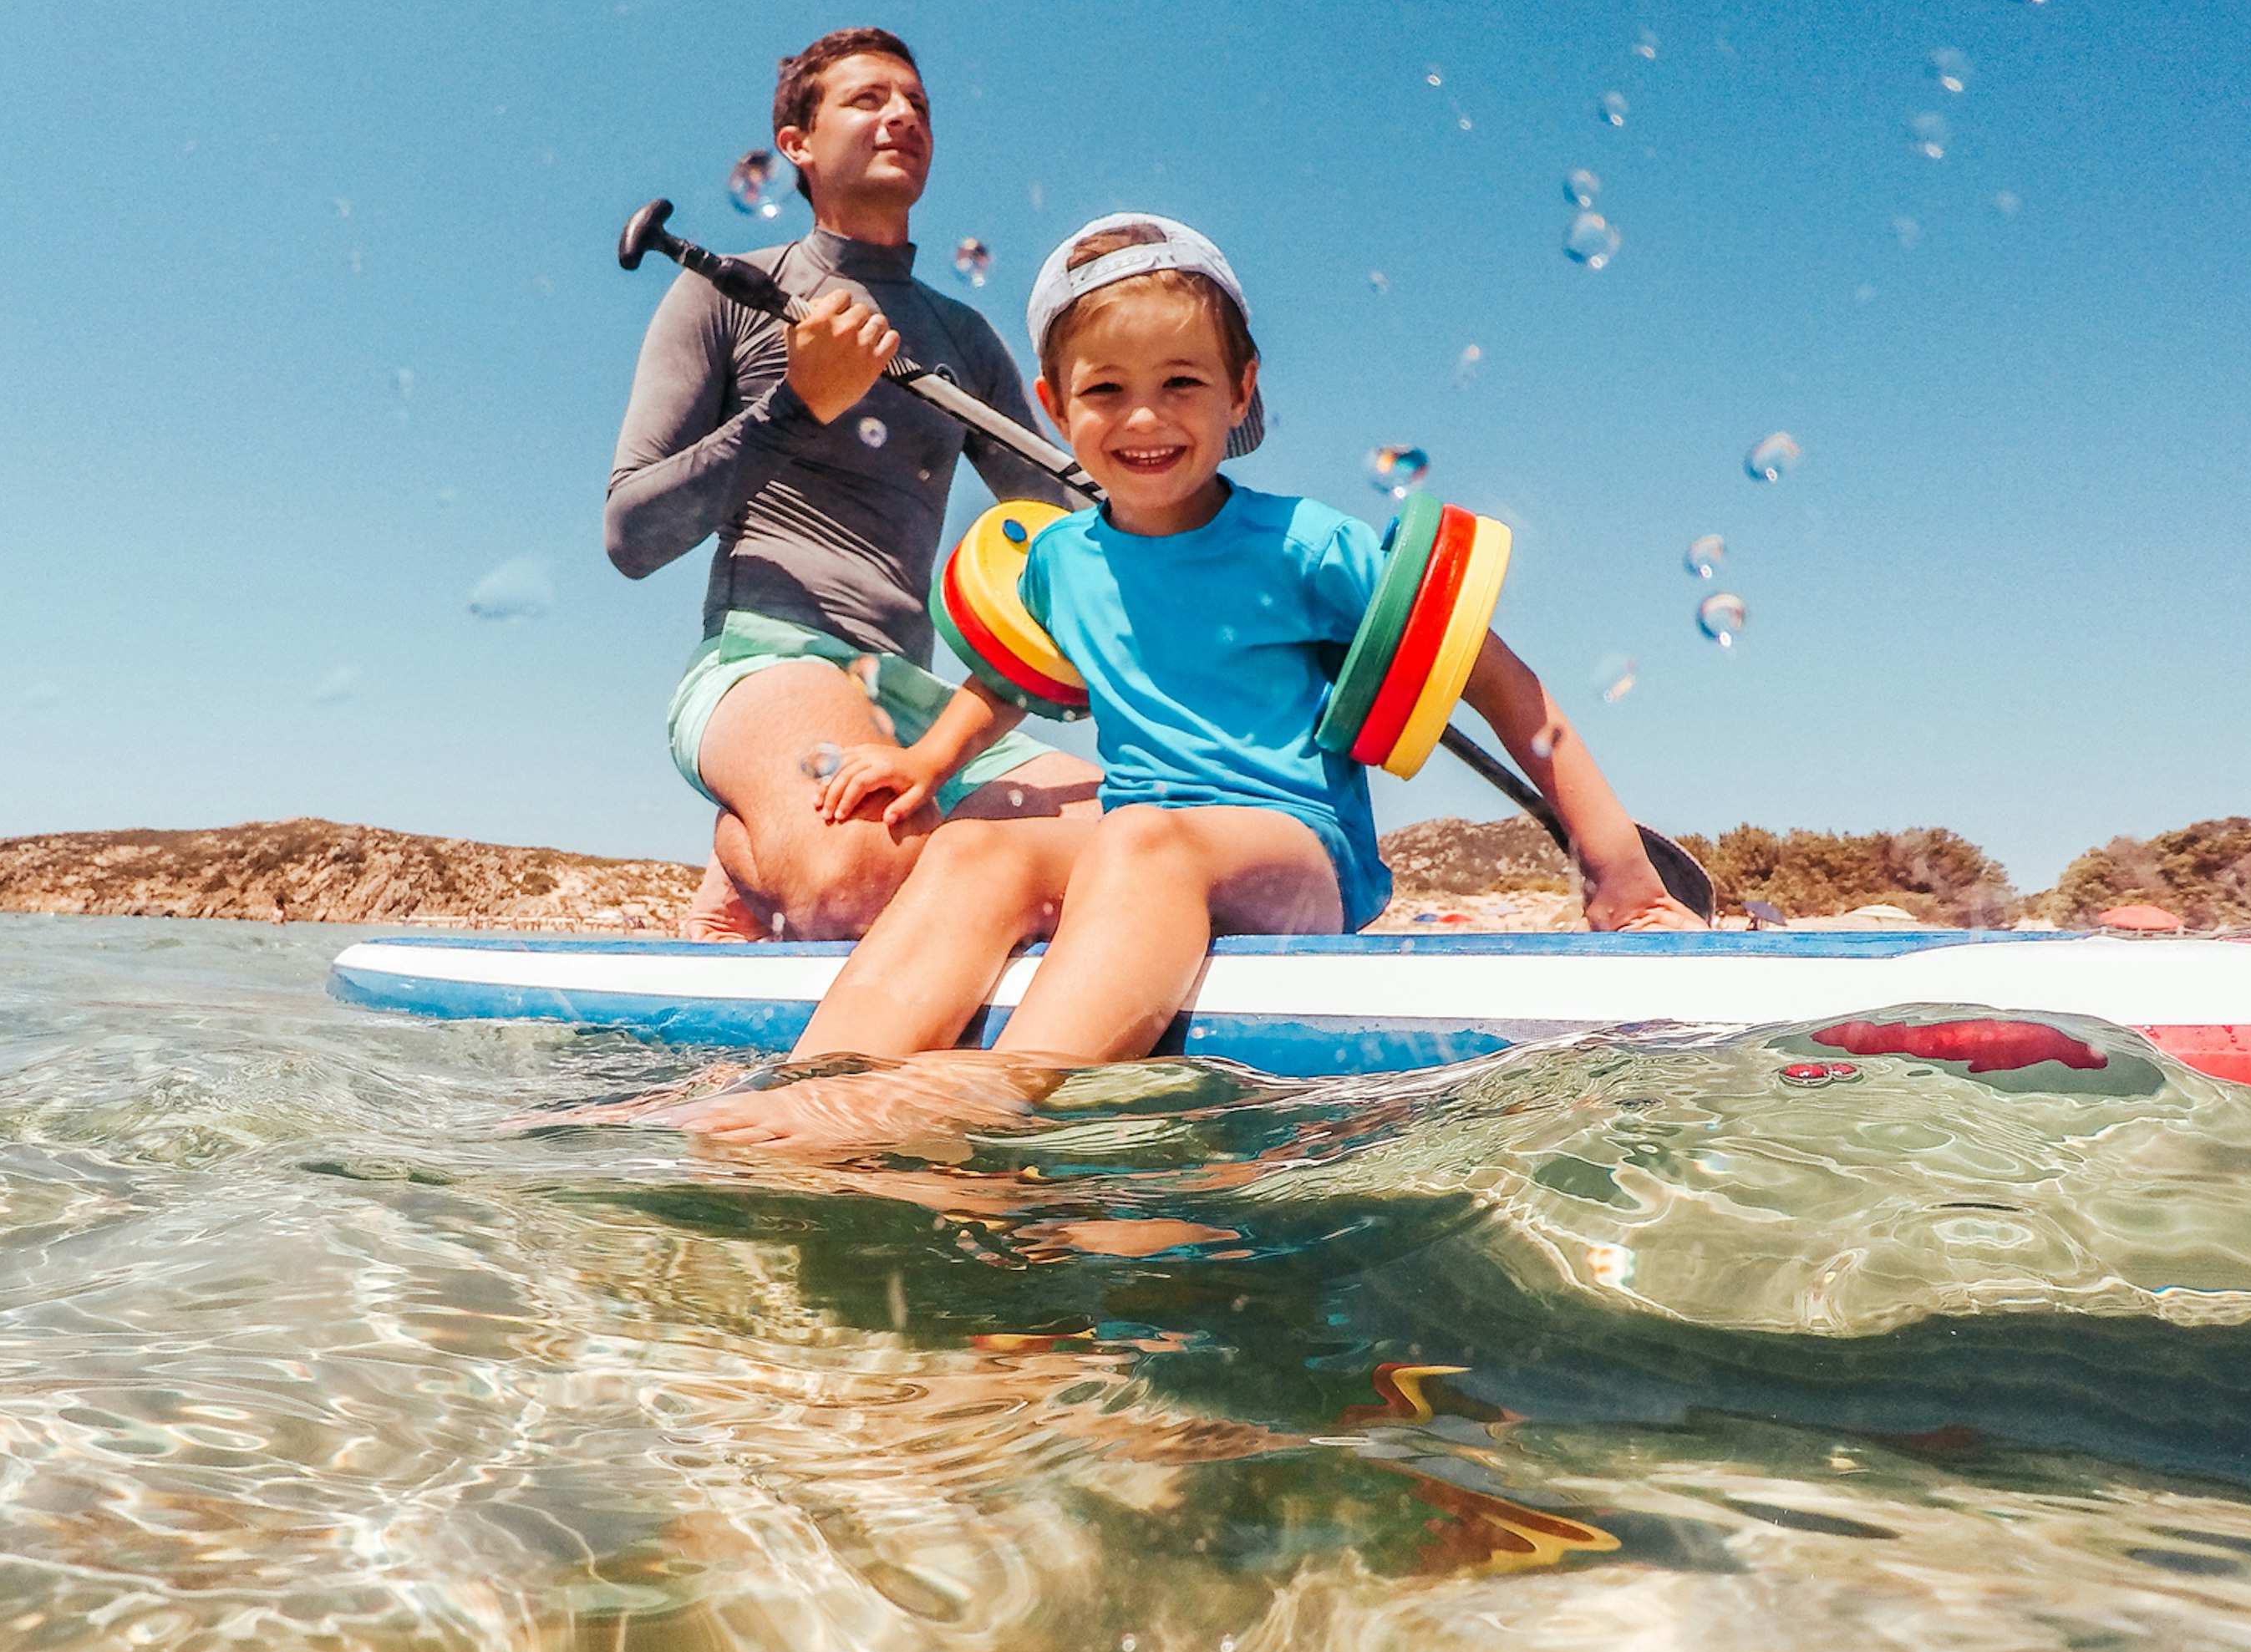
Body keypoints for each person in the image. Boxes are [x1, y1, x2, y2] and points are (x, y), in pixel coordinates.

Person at [685, 215, 1701, 1151]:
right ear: (1052, 404)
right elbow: (1009, 677)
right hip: (1144, 849)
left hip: (1297, 852)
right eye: (1105, 390)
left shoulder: (1307, 546)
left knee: (1140, 835)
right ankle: (817, 1088)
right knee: (975, 849)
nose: (1145, 418)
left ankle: (989, 1096)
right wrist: (925, 759)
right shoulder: (1060, 560)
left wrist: (1618, 872)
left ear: (1240, 389)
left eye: (1181, 383)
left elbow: (1501, 683)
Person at [607, 27, 1101, 942]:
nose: (903, 115)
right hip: (766, 664)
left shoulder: (967, 340)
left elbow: (1069, 528)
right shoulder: (727, 292)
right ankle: (761, 841)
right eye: (868, 99)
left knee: (1147, 853)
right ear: (796, 144)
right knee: (862, 880)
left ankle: (816, 845)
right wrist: (797, 405)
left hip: (920, 703)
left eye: (917, 103)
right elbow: (630, 535)